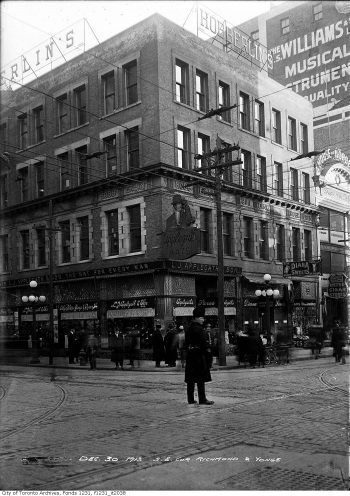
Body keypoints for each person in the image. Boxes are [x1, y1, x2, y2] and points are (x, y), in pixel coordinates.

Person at [184, 306, 214, 405]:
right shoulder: (200, 330)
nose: (203, 320)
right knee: (200, 379)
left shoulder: (188, 329)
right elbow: (205, 345)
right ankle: (202, 399)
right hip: (199, 356)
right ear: (196, 318)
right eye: (201, 318)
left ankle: (190, 399)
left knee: (190, 379)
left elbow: (186, 343)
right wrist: (209, 357)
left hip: (190, 355)